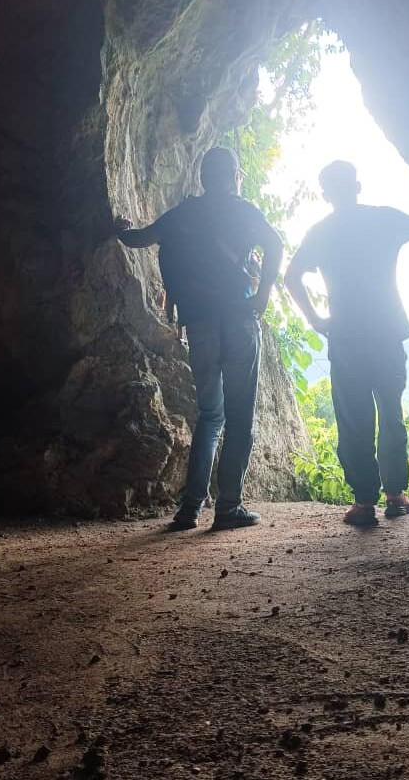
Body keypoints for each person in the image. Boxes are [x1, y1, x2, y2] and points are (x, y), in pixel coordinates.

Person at [115, 147, 283, 531]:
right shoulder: (244, 211)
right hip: (239, 321)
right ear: (235, 175)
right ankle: (228, 507)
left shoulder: (183, 214)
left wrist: (120, 228)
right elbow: (274, 245)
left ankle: (190, 508)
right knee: (239, 419)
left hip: (201, 325)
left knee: (210, 416)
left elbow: (140, 238)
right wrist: (262, 296)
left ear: (203, 177)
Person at [284, 160, 409, 526]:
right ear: (357, 185)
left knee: (354, 419)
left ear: (325, 194)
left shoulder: (321, 231)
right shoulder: (384, 219)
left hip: (346, 335)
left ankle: (362, 502)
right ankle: (396, 495)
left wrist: (316, 320)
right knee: (391, 413)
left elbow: (291, 276)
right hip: (387, 330)